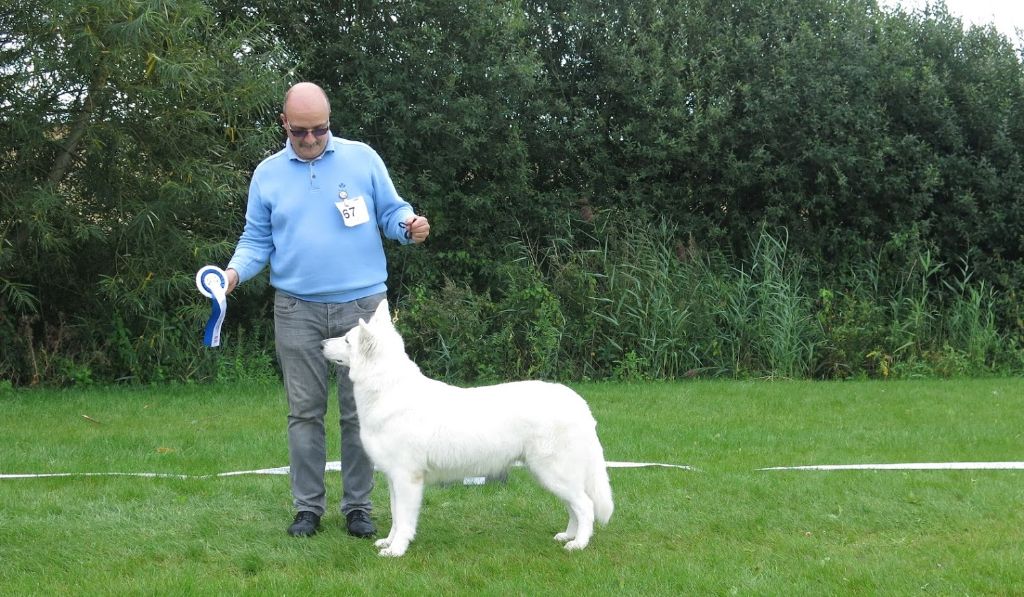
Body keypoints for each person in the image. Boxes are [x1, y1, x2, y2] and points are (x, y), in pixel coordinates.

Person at [223, 82, 430, 538]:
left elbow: (392, 212)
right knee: (304, 412)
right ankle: (307, 509)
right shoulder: (268, 174)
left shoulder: (362, 158)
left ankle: (359, 507)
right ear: (285, 125)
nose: (312, 139)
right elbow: (256, 240)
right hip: (297, 310)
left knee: (363, 413)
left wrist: (408, 226)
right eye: (301, 132)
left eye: (320, 130)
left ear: (329, 123)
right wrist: (232, 276)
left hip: (364, 309)